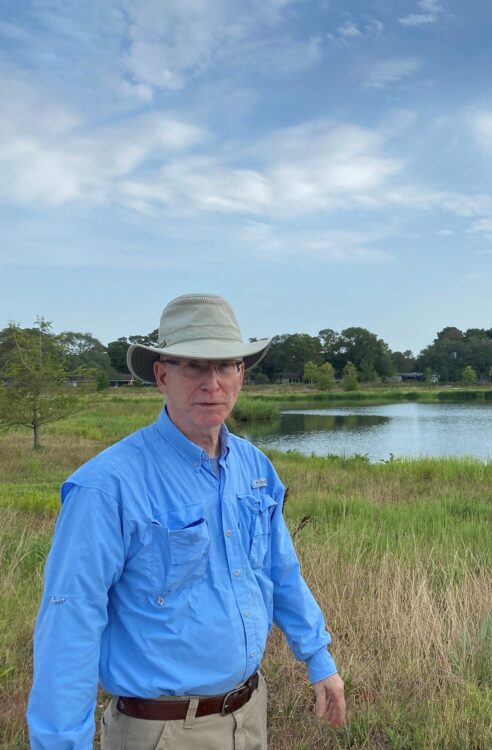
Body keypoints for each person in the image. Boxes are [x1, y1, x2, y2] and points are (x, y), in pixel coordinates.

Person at [27, 293, 346, 749]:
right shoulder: (107, 487)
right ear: (162, 375)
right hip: (161, 733)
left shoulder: (254, 468)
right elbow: (70, 624)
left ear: (242, 374)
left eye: (227, 366)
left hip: (250, 715)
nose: (212, 383)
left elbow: (280, 571)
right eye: (193, 366)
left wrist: (319, 658)